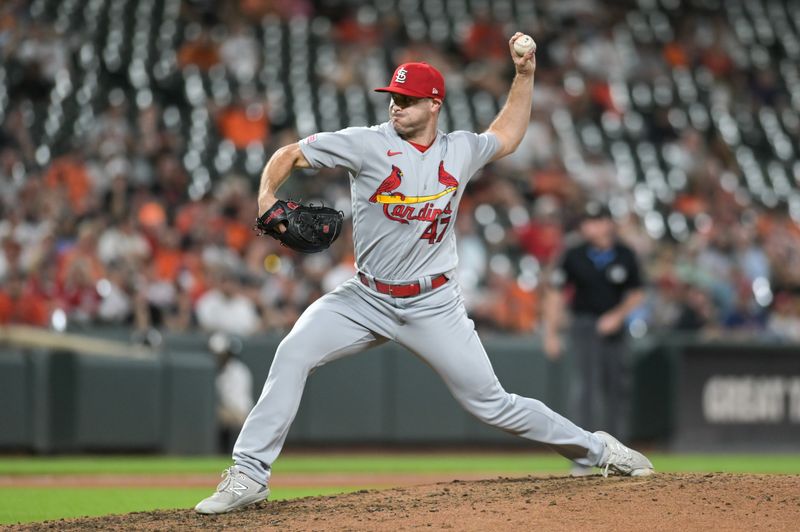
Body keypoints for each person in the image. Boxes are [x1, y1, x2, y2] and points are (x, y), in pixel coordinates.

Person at [195, 33, 654, 515]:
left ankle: (598, 450)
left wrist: (524, 75)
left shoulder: (459, 150)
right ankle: (248, 473)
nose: (396, 106)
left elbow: (508, 134)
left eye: (408, 100)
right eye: (393, 97)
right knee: (291, 353)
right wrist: (267, 196)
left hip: (433, 304)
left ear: (434, 104)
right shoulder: (366, 144)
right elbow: (288, 153)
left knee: (492, 404)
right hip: (365, 297)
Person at [542, 202, 645, 475]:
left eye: (594, 220)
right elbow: (555, 292)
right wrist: (551, 332)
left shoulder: (624, 253)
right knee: (586, 390)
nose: (589, 226)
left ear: (607, 223)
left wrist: (618, 316)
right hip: (584, 325)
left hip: (615, 328)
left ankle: (621, 455)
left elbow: (636, 292)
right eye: (585, 221)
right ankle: (585, 455)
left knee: (616, 389)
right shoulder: (574, 254)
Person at [209, 332, 255, 453]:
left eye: (221, 354)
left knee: (219, 415)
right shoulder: (217, 371)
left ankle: (227, 453)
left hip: (240, 411)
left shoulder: (238, 370)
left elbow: (235, 401)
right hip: (232, 410)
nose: (219, 357)